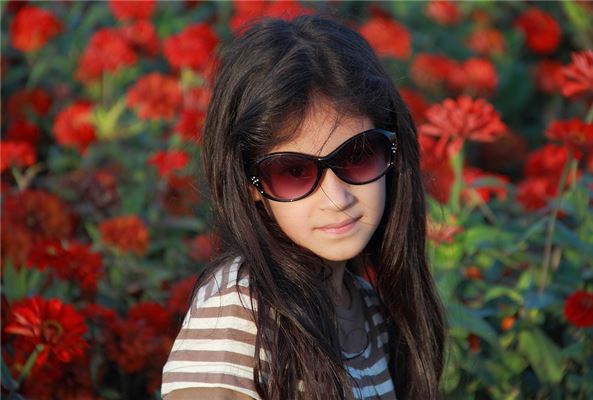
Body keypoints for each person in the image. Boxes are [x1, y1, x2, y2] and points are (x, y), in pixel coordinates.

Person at [162, 14, 446, 400]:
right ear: (250, 185)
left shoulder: (369, 308)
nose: (337, 198)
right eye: (293, 171)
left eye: (358, 156)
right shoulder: (241, 306)